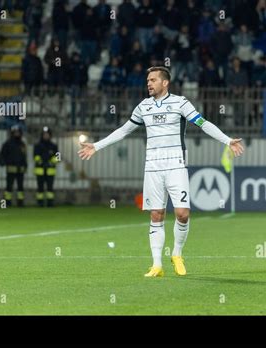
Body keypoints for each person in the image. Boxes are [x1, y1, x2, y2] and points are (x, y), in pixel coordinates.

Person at [78, 66, 244, 277]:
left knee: (182, 214)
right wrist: (97, 146)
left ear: (165, 83)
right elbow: (123, 130)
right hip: (153, 167)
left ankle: (177, 253)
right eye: (148, 80)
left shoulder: (180, 103)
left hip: (176, 165)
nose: (149, 83)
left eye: (153, 80)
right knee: (156, 214)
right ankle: (157, 265)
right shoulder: (143, 107)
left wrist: (228, 140)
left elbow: (203, 123)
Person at [1, 125, 27, 207]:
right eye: (15, 132)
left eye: (18, 132)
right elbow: (2, 155)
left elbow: (24, 156)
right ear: (12, 133)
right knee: (9, 187)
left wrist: (25, 165)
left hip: (20, 169)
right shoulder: (7, 144)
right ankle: (7, 202)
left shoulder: (22, 144)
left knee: (20, 187)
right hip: (11, 168)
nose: (17, 134)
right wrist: (5, 162)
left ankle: (20, 202)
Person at [34, 127, 59, 207]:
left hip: (50, 170)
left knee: (50, 188)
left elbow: (58, 157)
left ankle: (50, 202)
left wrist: (51, 162)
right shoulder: (37, 145)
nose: (46, 136)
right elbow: (35, 156)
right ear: (42, 135)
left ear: (50, 135)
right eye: (44, 134)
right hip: (40, 170)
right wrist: (41, 162)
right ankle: (40, 202)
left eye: (47, 134)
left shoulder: (54, 146)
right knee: (40, 188)